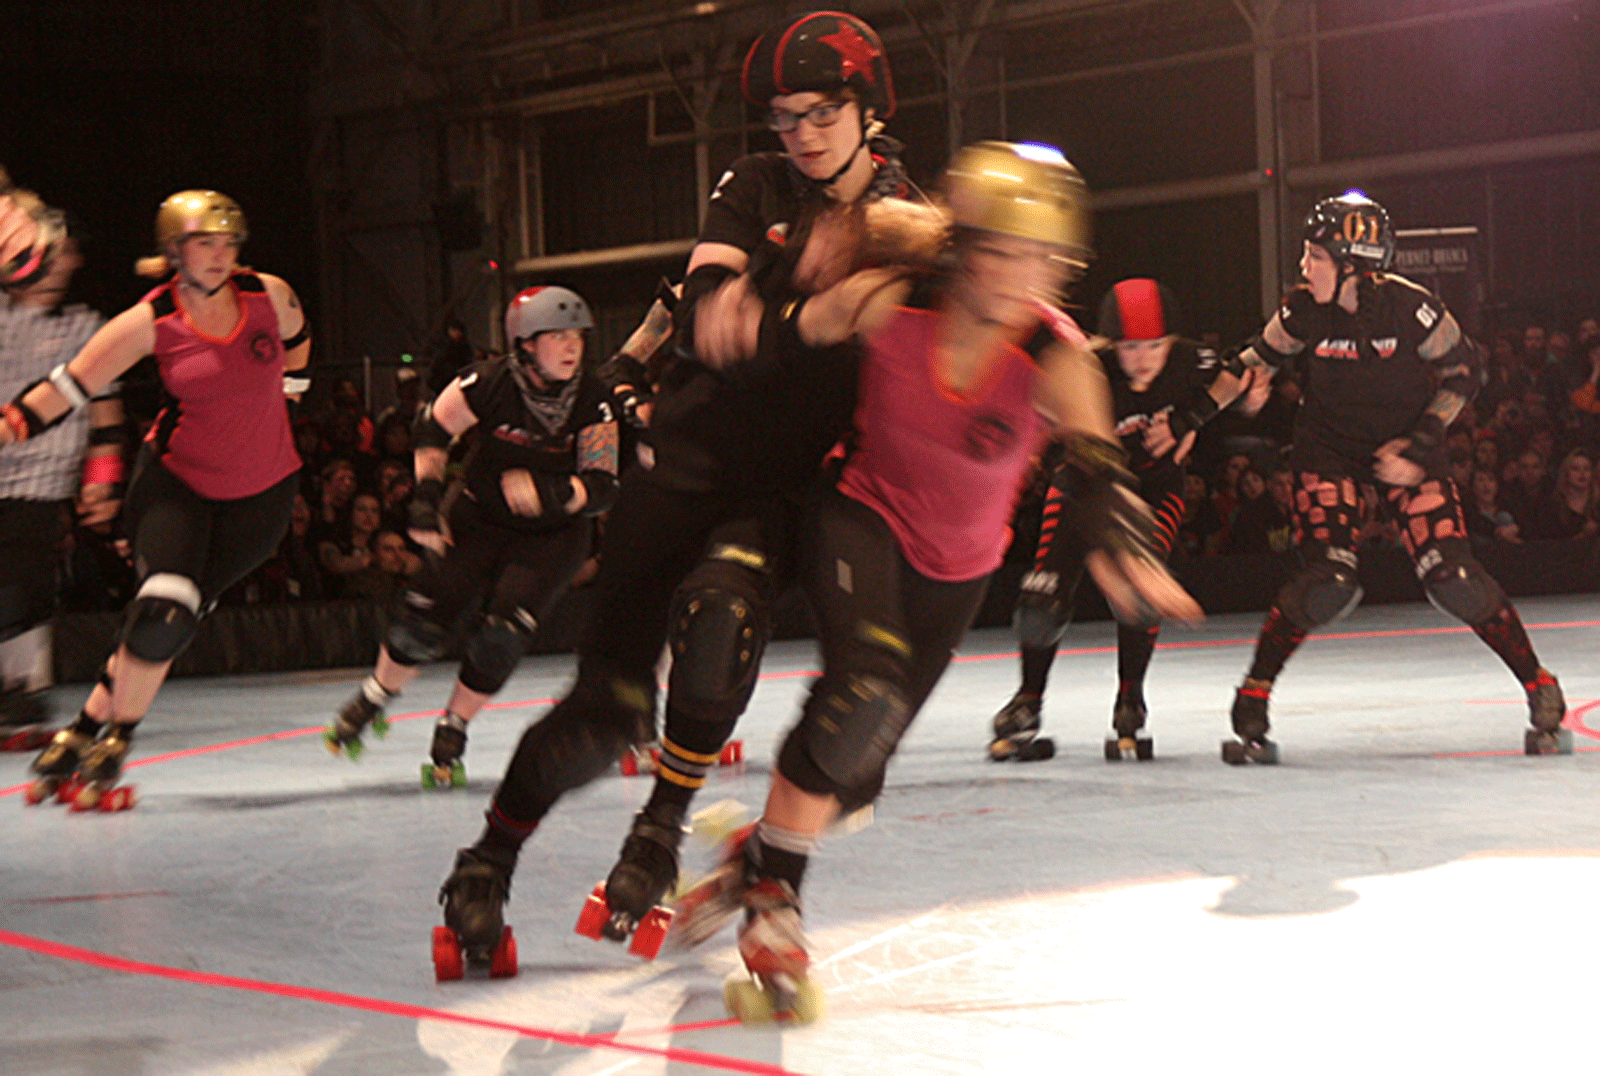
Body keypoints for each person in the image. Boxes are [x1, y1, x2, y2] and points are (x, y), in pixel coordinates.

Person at [431, 10, 927, 974]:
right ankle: (487, 858)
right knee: (605, 711)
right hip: (686, 465)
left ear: (869, 108)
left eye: (823, 111)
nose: (803, 134)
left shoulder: (909, 211)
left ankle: (658, 832)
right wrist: (821, 309)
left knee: (720, 627)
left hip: (781, 488)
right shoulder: (752, 184)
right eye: (785, 116)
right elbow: (709, 324)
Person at [663, 142, 1201, 1022]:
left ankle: (752, 860)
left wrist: (1115, 530)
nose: (1027, 276)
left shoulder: (1056, 352)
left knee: (854, 776)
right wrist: (731, 321)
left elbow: (1096, 464)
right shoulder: (891, 301)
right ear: (963, 246)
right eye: (1007, 250)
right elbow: (776, 351)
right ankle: (775, 897)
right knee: (862, 694)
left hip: (960, 567)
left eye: (1045, 260)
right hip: (858, 512)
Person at [1223, 191, 1567, 763]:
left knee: (1452, 576)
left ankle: (1538, 684)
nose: (1305, 267)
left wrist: (1423, 441)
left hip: (1405, 446)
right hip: (1328, 451)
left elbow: (1465, 373)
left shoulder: (1413, 309)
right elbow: (1256, 358)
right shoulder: (1303, 309)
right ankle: (1254, 690)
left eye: (1316, 255)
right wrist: (1235, 394)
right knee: (1328, 579)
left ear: (1352, 264)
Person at [1, 188, 308, 807]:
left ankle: (81, 730)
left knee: (166, 624)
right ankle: (115, 740)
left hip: (263, 500)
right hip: (178, 486)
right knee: (164, 609)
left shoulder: (269, 294)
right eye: (204, 244)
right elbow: (69, 387)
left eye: (228, 243)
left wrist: (291, 394)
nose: (220, 256)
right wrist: (8, 426)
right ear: (174, 251)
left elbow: (298, 339)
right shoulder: (150, 320)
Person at [324, 285, 617, 792]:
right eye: (558, 337)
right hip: (478, 516)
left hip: (554, 537)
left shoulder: (595, 399)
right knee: (424, 618)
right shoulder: (488, 382)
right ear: (526, 344)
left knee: (503, 632)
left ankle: (454, 723)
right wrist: (425, 498)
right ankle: (376, 694)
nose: (573, 347)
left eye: (577, 337)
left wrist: (549, 492)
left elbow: (602, 486)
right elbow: (433, 430)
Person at [989, 279, 1255, 763]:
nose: (1144, 359)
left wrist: (1191, 419)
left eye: (1156, 346)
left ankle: (1130, 697)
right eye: (1131, 348)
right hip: (1083, 487)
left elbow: (1242, 378)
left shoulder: (1190, 360)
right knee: (1040, 601)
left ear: (1172, 342)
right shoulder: (1087, 365)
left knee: (1138, 595)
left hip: (1155, 488)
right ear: (1112, 344)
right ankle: (1029, 699)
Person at [0, 191, 123, 746]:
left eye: (70, 253)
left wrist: (101, 486)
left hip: (43, 483)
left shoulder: (86, 327)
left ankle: (22, 694)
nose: (60, 262)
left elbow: (106, 417)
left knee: (24, 587)